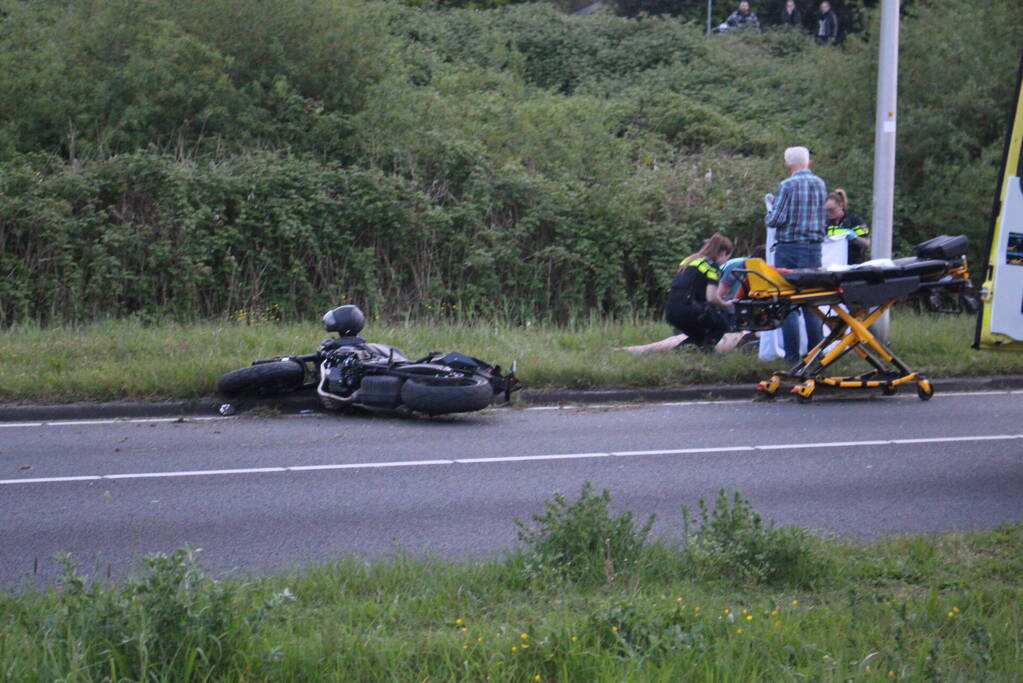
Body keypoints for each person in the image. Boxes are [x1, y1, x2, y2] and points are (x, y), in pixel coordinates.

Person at [764, 146, 827, 363]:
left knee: (788, 302)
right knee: (812, 301)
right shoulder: (821, 184)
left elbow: (776, 220)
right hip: (814, 248)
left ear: (787, 165)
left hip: (790, 248)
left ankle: (792, 358)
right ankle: (816, 356)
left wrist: (770, 210)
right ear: (808, 163)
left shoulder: (787, 185)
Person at [664, 233, 737, 351]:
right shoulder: (711, 266)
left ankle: (680, 353)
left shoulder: (689, 260)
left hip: (671, 310)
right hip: (689, 310)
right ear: (723, 253)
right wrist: (726, 304)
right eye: (727, 258)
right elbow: (712, 298)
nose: (725, 262)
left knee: (700, 335)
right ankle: (703, 354)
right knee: (722, 325)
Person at [825, 189, 870, 264]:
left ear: (841, 206)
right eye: (826, 210)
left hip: (853, 263)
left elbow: (866, 243)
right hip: (831, 263)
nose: (829, 213)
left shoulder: (854, 220)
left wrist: (854, 238)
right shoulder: (825, 223)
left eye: (832, 210)